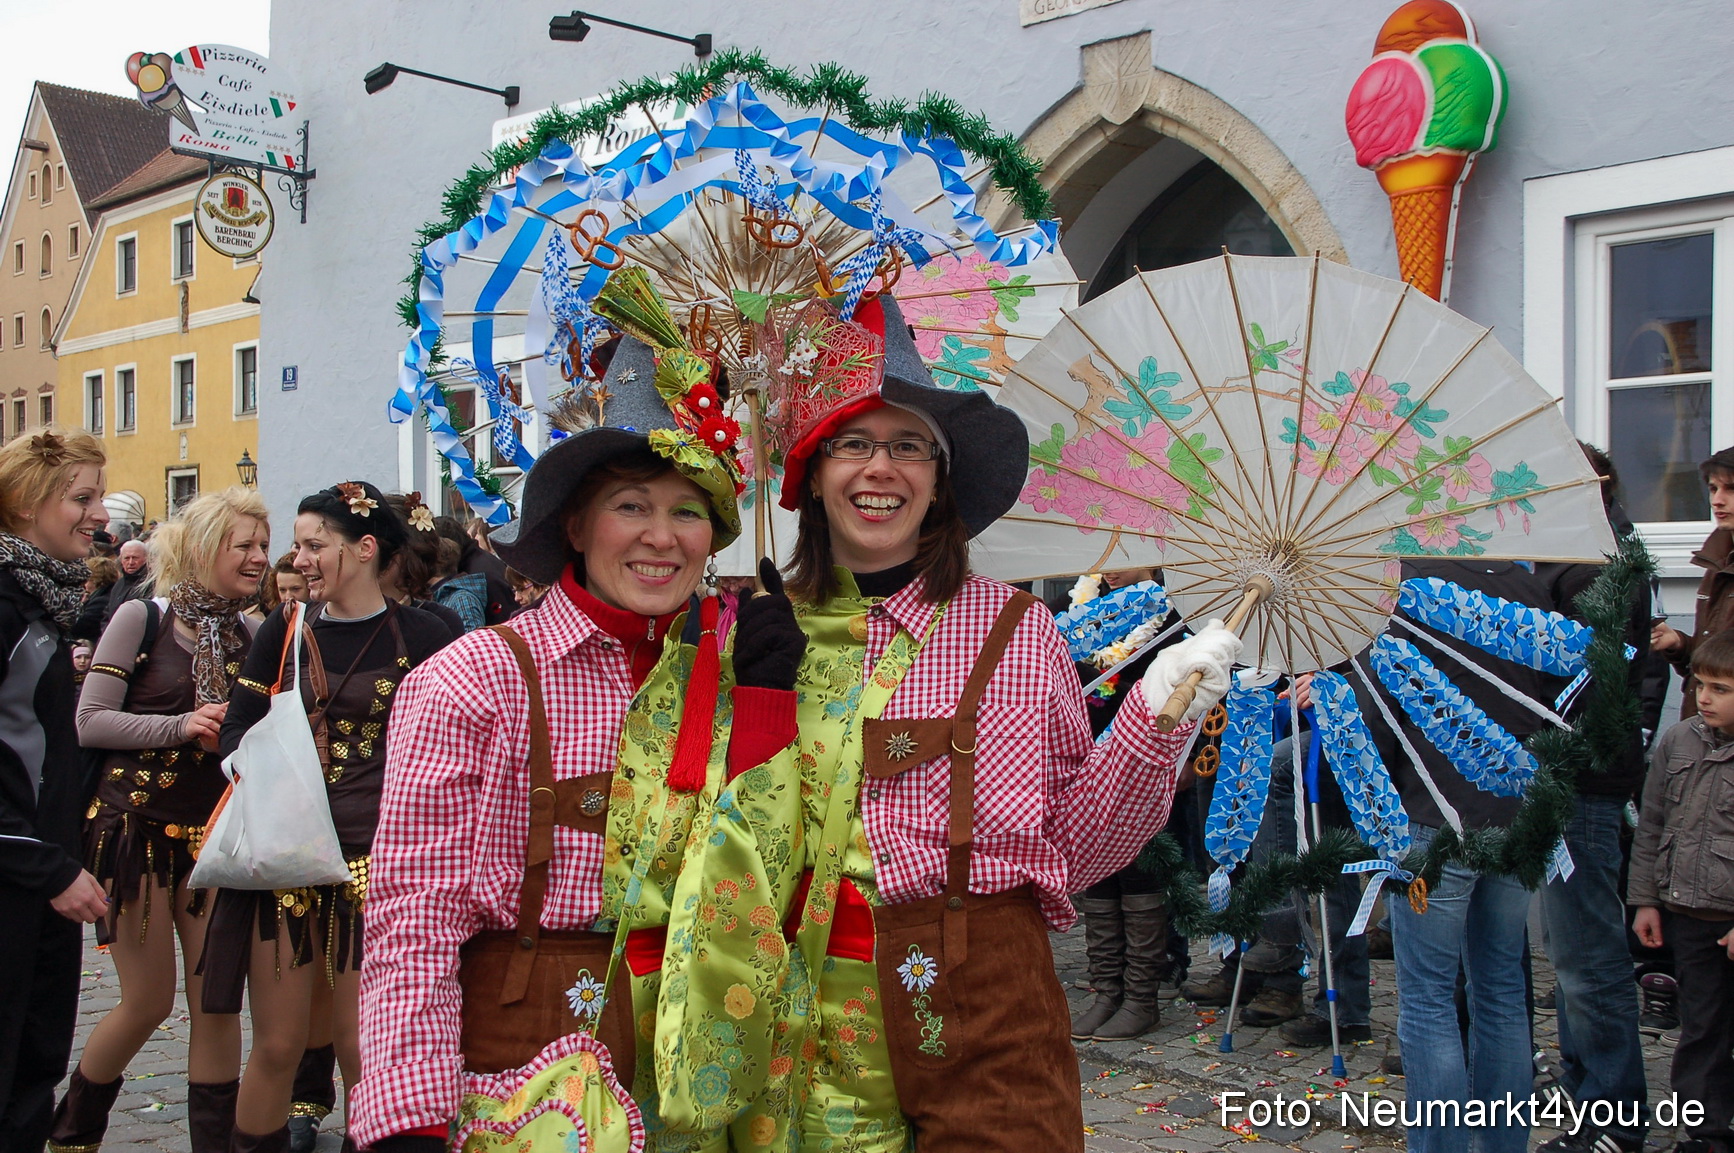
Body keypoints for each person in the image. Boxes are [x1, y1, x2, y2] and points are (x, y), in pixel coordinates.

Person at [756, 294, 1238, 1151]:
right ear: (813, 472)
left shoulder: (1014, 634)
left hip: (984, 988)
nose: (881, 468)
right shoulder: (758, 633)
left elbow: (1074, 843)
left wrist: (1156, 718)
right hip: (797, 997)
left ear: (940, 478)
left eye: (910, 446)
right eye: (854, 443)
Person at [350, 329, 805, 1152]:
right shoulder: (473, 679)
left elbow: (762, 879)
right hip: (525, 1050)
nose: (661, 537)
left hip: (696, 1058)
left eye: (687, 511)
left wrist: (770, 705)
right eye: (632, 504)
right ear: (577, 525)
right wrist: (406, 1119)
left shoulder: (738, 668)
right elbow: (413, 915)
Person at [203, 481, 451, 1153]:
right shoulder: (284, 632)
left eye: (316, 545)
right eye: (298, 544)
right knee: (279, 1045)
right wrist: (254, 771)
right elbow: (236, 731)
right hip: (286, 859)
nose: (300, 558)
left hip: (376, 866)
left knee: (361, 1046)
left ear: (365, 548)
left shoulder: (430, 634)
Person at [50, 489, 270, 1153]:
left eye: (264, 543)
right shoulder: (143, 619)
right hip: (133, 833)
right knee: (147, 1002)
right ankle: (74, 1131)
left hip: (214, 841)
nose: (260, 556)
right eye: (245, 544)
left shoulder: (256, 635)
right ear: (205, 548)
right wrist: (179, 725)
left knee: (215, 1002)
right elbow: (90, 721)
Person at [1365, 558, 1563, 1153]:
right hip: (1516, 811)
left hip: (1432, 813)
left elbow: (1378, 710)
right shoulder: (1525, 585)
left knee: (1427, 997)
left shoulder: (1405, 592)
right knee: (1500, 987)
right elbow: (1555, 697)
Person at [1532, 444, 1651, 1153]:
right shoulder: (1569, 557)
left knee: (1588, 953)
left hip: (1583, 773)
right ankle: (1587, 1089)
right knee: (1571, 951)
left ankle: (1613, 1114)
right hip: (1562, 772)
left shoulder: (1597, 567)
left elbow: (1585, 679)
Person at [0, 429, 110, 1153]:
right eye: (81, 497)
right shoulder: (8, 608)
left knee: (32, 1078)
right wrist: (49, 865)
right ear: (27, 501)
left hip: (39, 886)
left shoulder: (44, 601)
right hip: (18, 879)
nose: (99, 514)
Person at [1628, 632, 1734, 1153]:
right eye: (1700, 685)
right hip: (1688, 912)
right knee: (1701, 1027)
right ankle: (1704, 1133)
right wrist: (1646, 900)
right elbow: (1652, 824)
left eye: (1721, 688)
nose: (1706, 697)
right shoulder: (1678, 740)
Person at [1651, 445, 1734, 717]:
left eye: (1730, 489)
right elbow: (1714, 660)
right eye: (1713, 489)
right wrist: (1678, 643)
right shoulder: (1717, 561)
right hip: (1705, 734)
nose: (1717, 500)